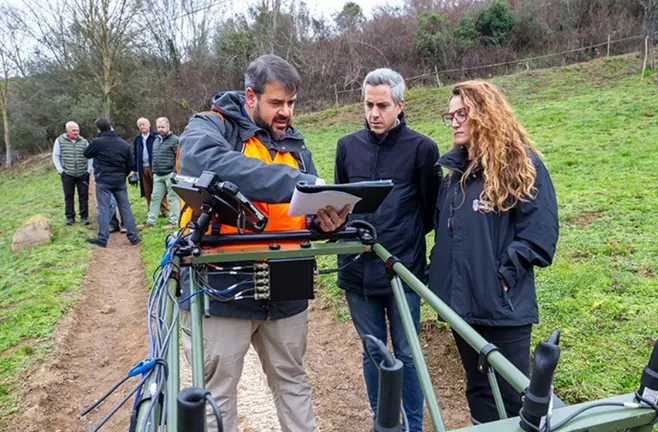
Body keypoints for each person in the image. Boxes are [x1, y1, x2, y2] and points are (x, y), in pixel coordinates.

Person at [177, 54, 348, 432]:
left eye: (291, 103)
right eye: (276, 103)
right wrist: (294, 183)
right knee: (216, 393)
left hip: (287, 284)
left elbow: (305, 211)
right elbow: (206, 164)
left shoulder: (296, 145)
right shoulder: (210, 127)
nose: (285, 112)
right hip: (222, 284)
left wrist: (327, 221)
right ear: (250, 97)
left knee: (293, 381)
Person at [429, 81, 559, 424]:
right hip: (460, 306)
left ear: (485, 116)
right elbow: (445, 232)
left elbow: (539, 234)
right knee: (477, 389)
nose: (455, 122)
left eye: (462, 114)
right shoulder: (454, 175)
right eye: (451, 115)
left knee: (514, 393)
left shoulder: (521, 165)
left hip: (503, 308)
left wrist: (502, 278)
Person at [334, 68, 441, 431]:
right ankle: (384, 423)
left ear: (400, 105)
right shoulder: (347, 147)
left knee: (408, 352)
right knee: (373, 350)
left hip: (403, 268)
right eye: (368, 104)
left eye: (382, 105)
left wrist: (401, 237)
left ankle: (413, 425)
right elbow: (339, 205)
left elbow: (430, 210)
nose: (374, 113)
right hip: (355, 269)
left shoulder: (422, 149)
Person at [83, 118, 140, 247]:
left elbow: (86, 154)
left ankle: (102, 239)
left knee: (103, 208)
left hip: (103, 180)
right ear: (111, 127)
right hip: (119, 180)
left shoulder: (97, 142)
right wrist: (122, 174)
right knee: (125, 208)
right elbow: (130, 164)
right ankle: (133, 237)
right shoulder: (123, 144)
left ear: (99, 129)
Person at [137, 117, 180, 230]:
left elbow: (179, 158)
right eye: (159, 127)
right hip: (157, 174)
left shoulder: (175, 140)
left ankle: (174, 221)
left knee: (172, 198)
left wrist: (175, 172)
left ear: (168, 127)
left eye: (163, 127)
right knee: (155, 197)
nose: (160, 129)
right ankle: (151, 221)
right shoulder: (156, 140)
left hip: (170, 173)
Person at [52, 121, 93, 225]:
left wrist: (88, 171)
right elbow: (56, 156)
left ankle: (84, 217)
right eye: (73, 130)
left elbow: (90, 157)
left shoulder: (84, 142)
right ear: (67, 130)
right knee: (68, 196)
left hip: (83, 174)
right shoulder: (59, 141)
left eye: (77, 130)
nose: (76, 132)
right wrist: (61, 171)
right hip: (67, 174)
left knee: (83, 196)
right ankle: (70, 218)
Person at [131, 117, 169, 216]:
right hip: (142, 168)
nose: (141, 126)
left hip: (155, 167)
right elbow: (135, 154)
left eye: (143, 124)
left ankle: (165, 210)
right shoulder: (137, 139)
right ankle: (151, 210)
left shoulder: (156, 136)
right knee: (147, 190)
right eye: (139, 125)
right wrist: (134, 170)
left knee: (159, 189)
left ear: (149, 125)